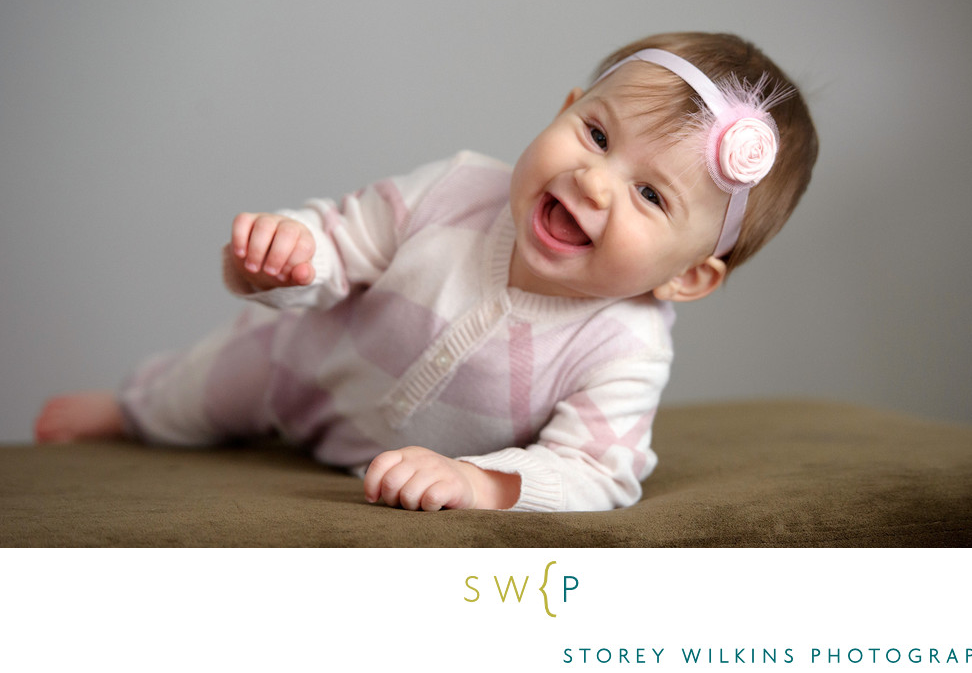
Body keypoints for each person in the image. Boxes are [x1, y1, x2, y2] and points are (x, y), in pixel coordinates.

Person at [34, 32, 818, 512]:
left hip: (413, 454)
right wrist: (287, 254)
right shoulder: (459, 189)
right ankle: (130, 407)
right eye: (595, 134)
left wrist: (481, 485)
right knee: (202, 386)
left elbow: (595, 469)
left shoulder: (625, 346)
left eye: (651, 194)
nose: (595, 181)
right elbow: (345, 236)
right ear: (565, 106)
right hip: (296, 363)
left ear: (688, 277)